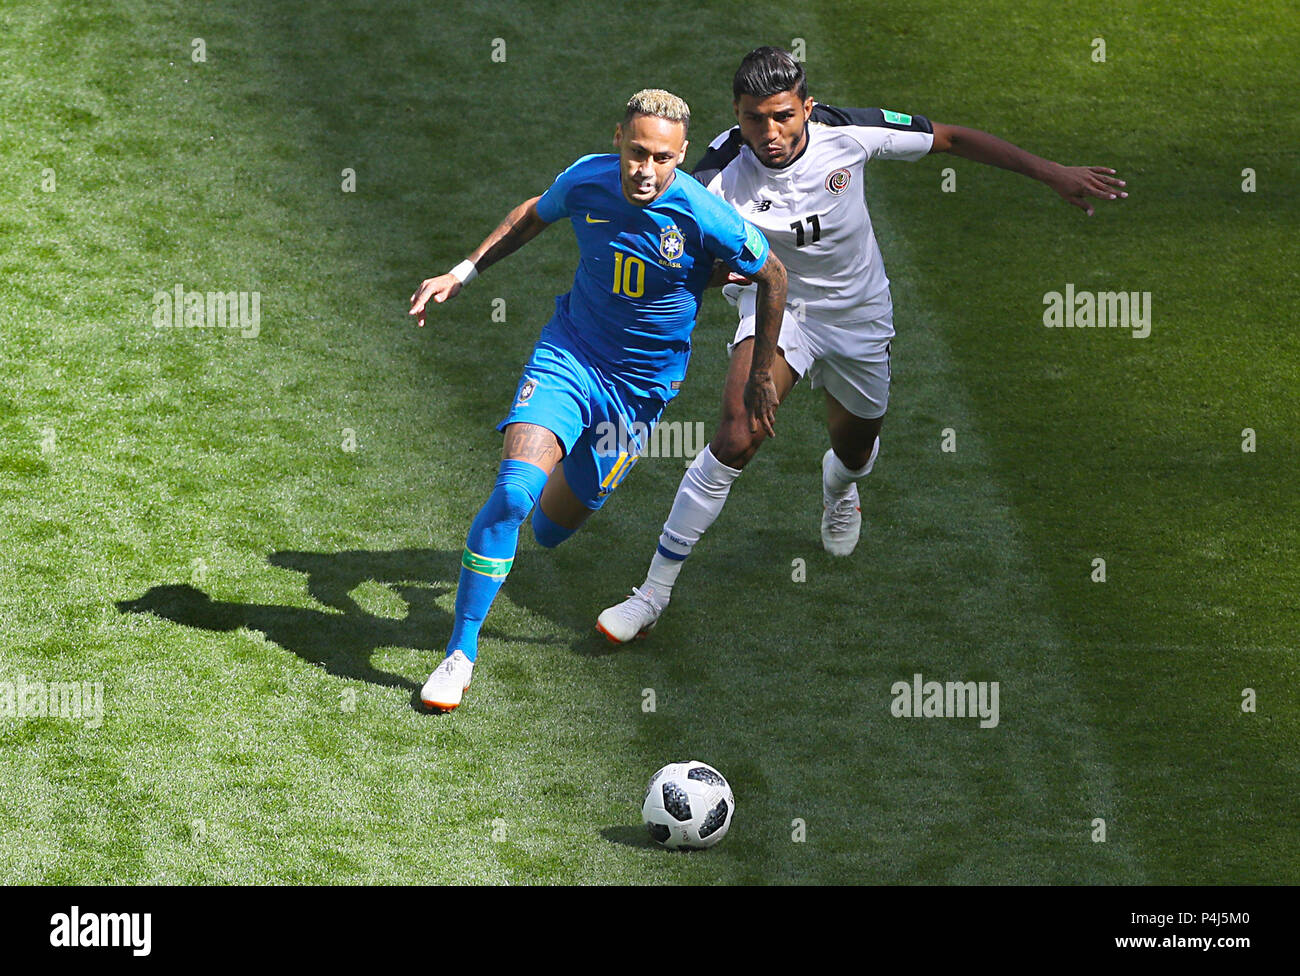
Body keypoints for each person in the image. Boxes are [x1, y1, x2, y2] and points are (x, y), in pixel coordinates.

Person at [597, 47, 1126, 643]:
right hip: (779, 308)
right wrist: (724, 274)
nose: (769, 134)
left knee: (854, 448)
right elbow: (685, 261)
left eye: (783, 116)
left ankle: (840, 488)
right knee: (736, 435)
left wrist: (1051, 172)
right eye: (753, 119)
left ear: (807, 108)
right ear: (736, 115)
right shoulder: (716, 172)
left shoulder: (848, 134)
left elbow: (950, 138)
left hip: (858, 316)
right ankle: (652, 594)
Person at [409, 89, 787, 710]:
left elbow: (773, 274)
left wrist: (761, 374)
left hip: (639, 392)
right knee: (512, 494)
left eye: (662, 158)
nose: (646, 170)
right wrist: (461, 273)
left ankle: (542, 522)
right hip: (570, 356)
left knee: (553, 529)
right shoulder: (587, 180)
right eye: (637, 152)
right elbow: (534, 212)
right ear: (619, 138)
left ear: (682, 155)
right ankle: (459, 653)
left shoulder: (702, 214)